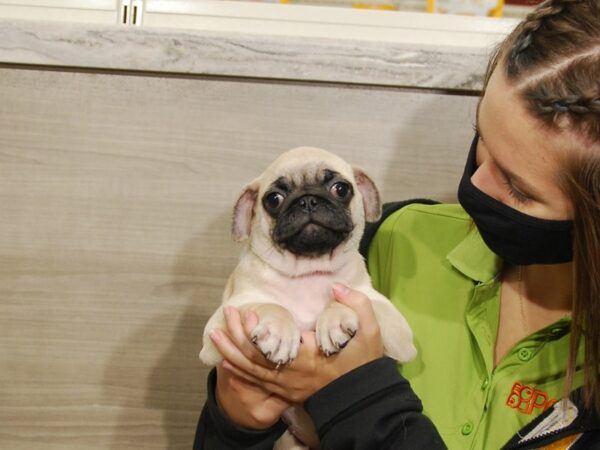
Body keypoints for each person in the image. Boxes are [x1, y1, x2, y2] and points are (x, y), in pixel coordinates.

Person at [193, 0, 600, 447]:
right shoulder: (394, 240)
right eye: (481, 139)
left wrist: (358, 394)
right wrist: (237, 421)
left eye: (519, 189)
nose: (477, 183)